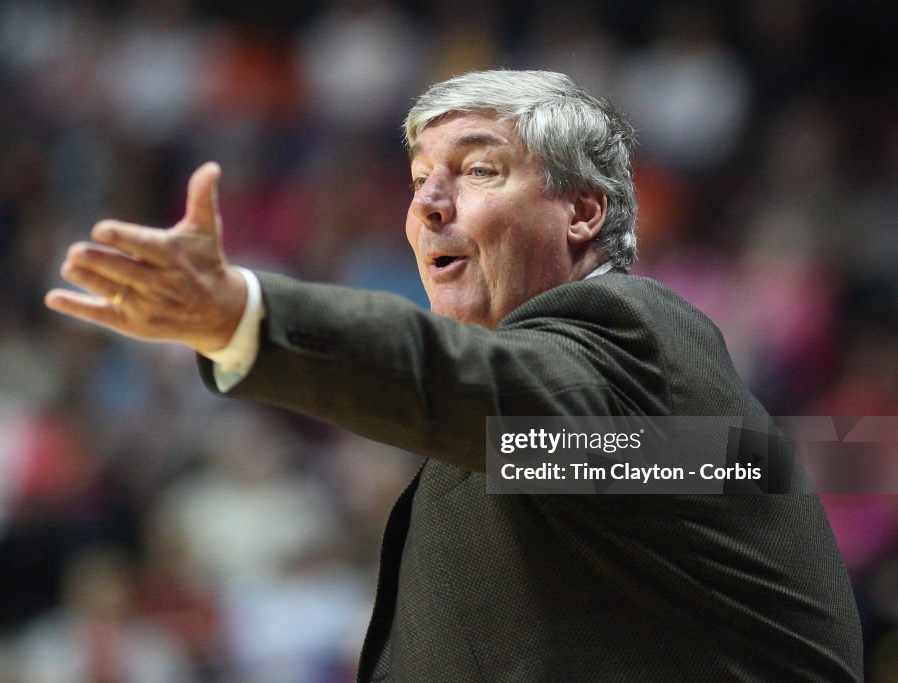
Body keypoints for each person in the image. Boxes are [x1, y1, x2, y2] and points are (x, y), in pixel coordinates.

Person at [47, 70, 862, 681]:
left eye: (477, 170)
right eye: (416, 181)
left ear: (583, 212)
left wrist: (244, 317)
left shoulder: (637, 337)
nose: (429, 203)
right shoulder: (594, 453)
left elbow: (480, 392)